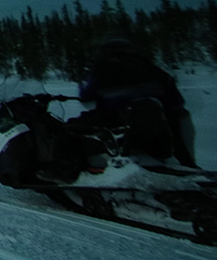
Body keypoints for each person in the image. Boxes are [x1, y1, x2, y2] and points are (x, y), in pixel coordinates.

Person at [79, 39, 197, 167]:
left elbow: (86, 98)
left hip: (121, 119)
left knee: (83, 130)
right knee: (178, 127)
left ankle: (88, 168)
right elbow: (176, 100)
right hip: (161, 119)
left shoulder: (101, 70)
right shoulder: (150, 67)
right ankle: (187, 166)